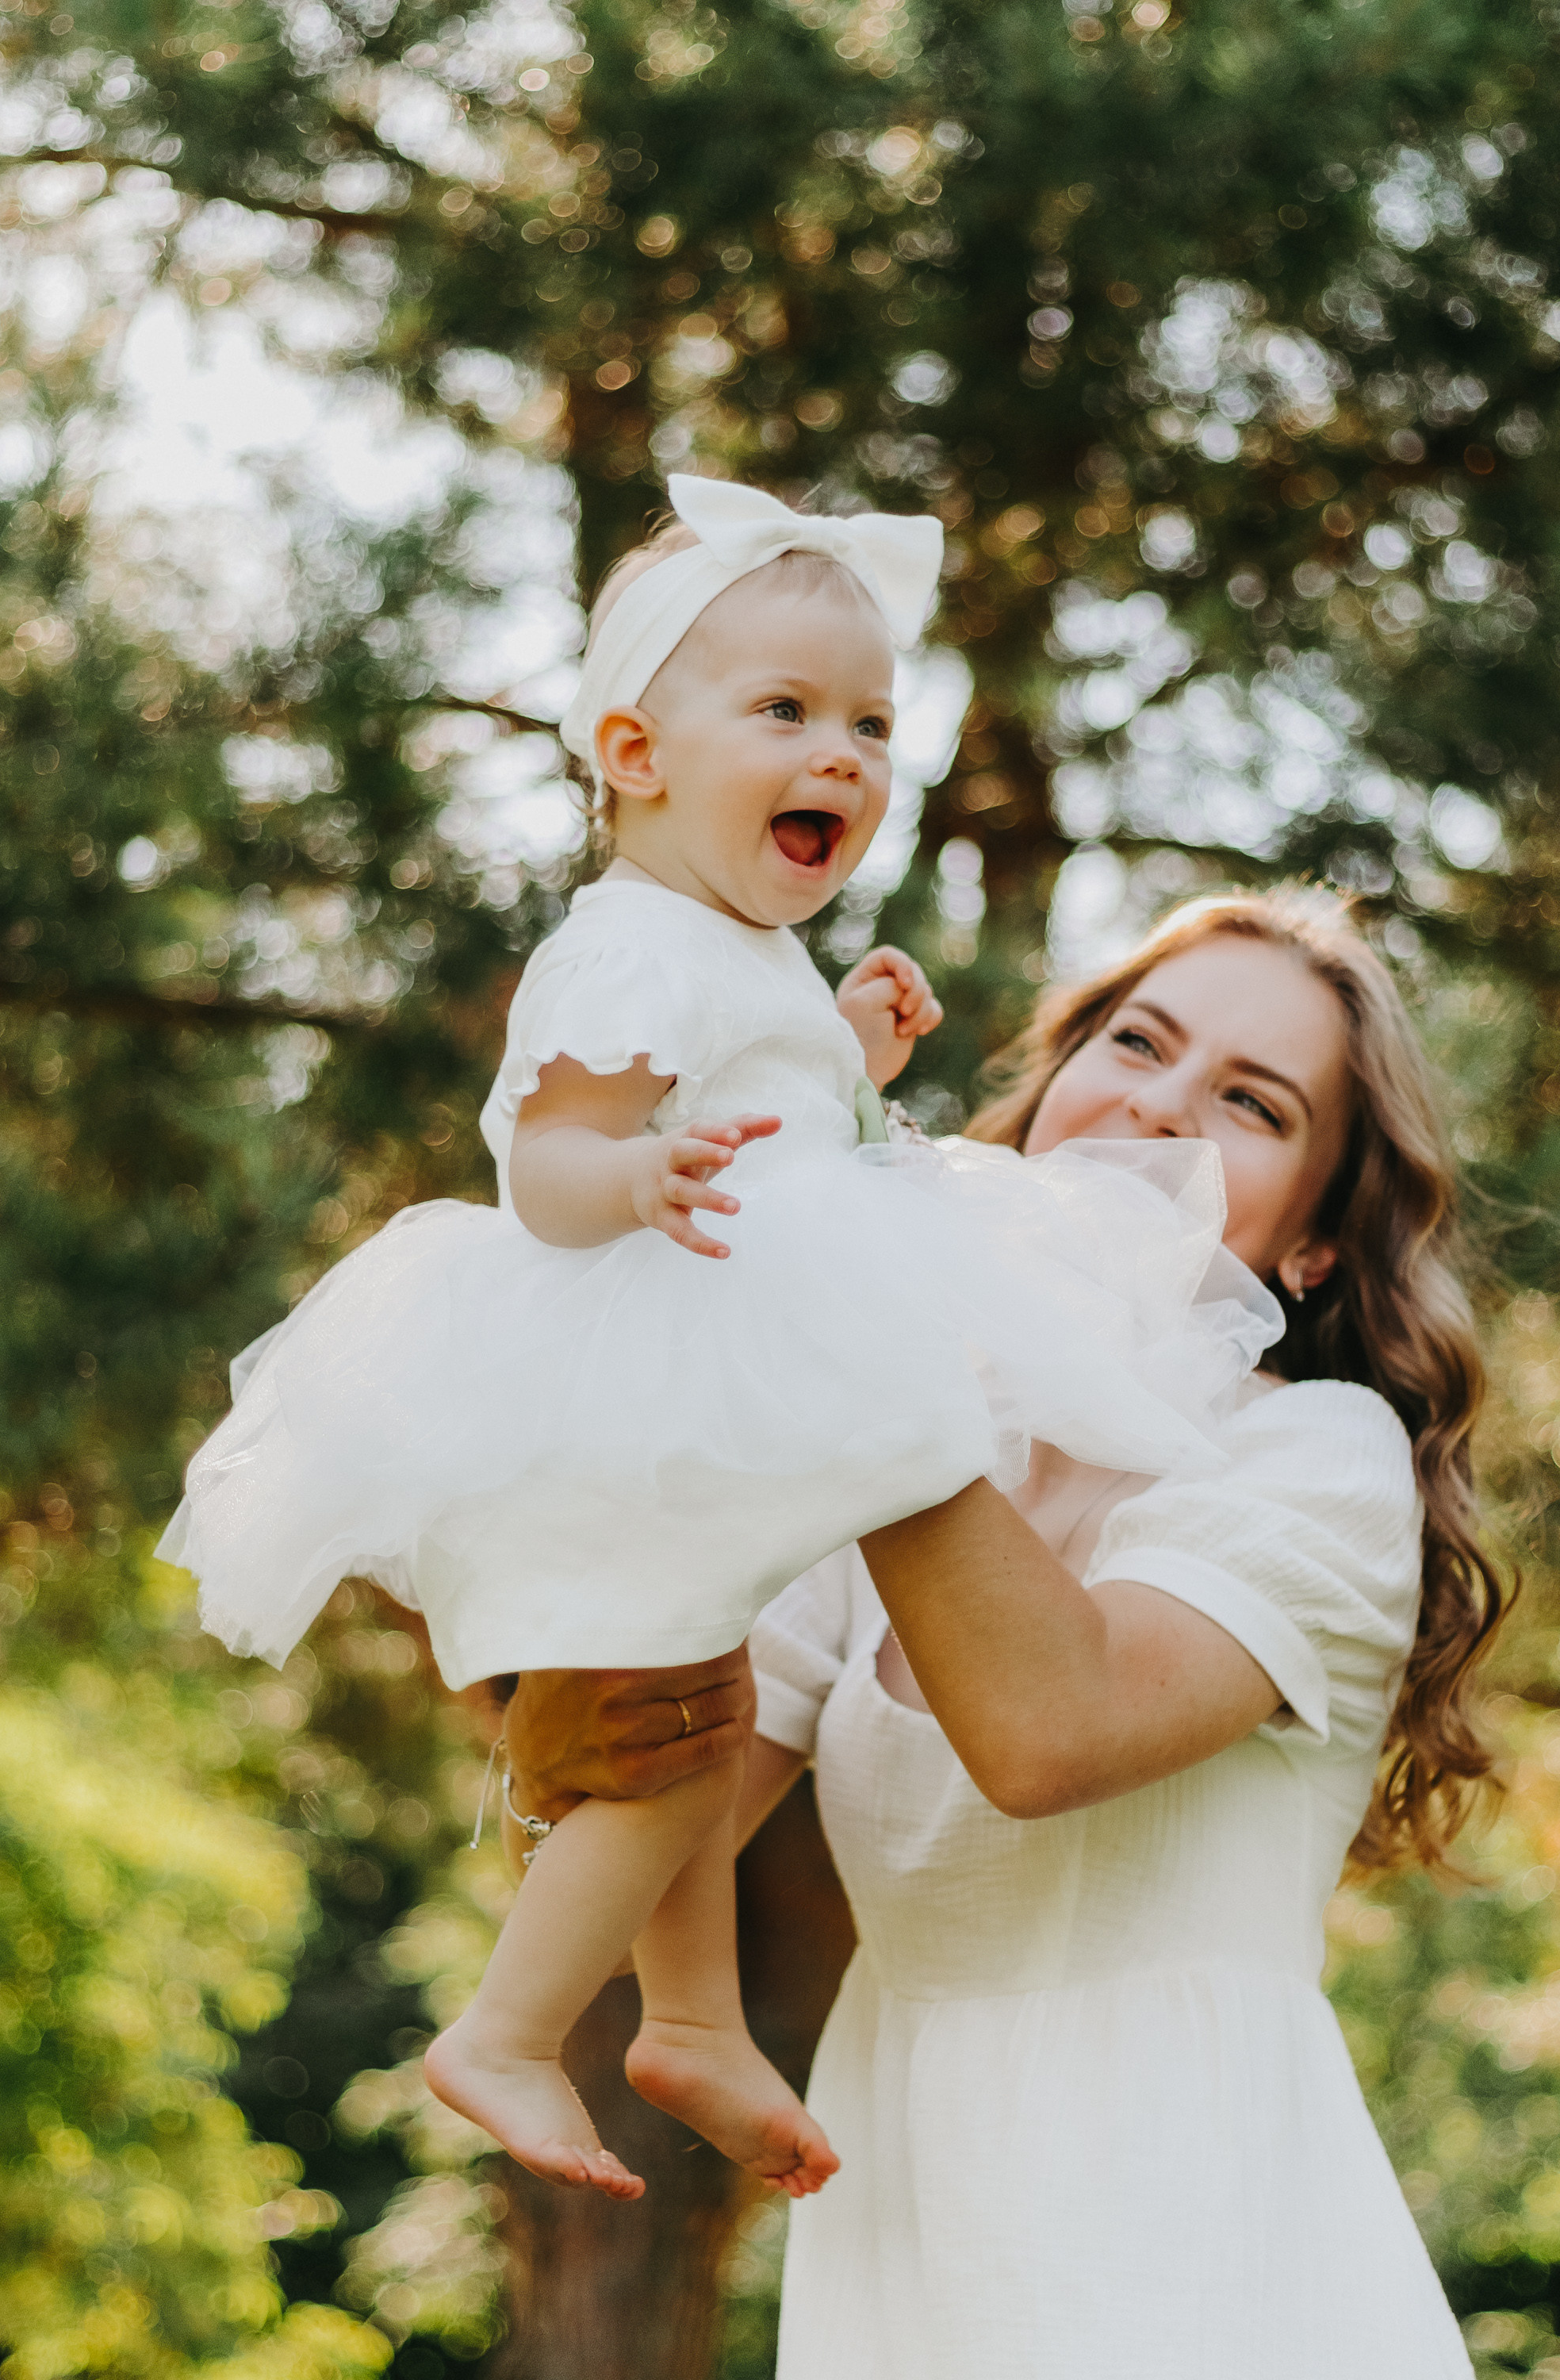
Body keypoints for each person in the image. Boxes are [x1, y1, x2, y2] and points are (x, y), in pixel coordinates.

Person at [155, 476, 1279, 2210]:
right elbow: (541, 1164)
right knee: (670, 1725)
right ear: (634, 754)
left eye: (869, 723)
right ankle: (514, 2030)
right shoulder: (624, 950)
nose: (840, 752)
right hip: (637, 1376)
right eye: (783, 711)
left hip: (709, 1380)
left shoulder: (739, 953)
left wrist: (842, 1048)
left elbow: (777, 1112)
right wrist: (631, 1169)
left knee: (704, 1704)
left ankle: (688, 2021)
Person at [500, 886, 1505, 2378]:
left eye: (1252, 1102)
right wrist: (554, 1747)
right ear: (1051, 1095)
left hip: (1192, 2233)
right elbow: (660, 1824)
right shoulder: (914, 1449)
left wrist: (850, 1306)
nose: (1159, 1107)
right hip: (903, 2219)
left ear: (1314, 1249)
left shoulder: (1318, 1457)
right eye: (1136, 1042)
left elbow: (1051, 1730)